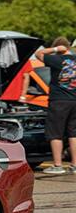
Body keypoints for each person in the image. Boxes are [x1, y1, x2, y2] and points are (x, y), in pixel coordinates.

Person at [35, 37, 76, 174]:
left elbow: (38, 54)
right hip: (74, 101)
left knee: (55, 133)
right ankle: (74, 165)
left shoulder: (57, 59)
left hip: (59, 100)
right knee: (73, 133)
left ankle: (58, 165)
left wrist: (56, 49)